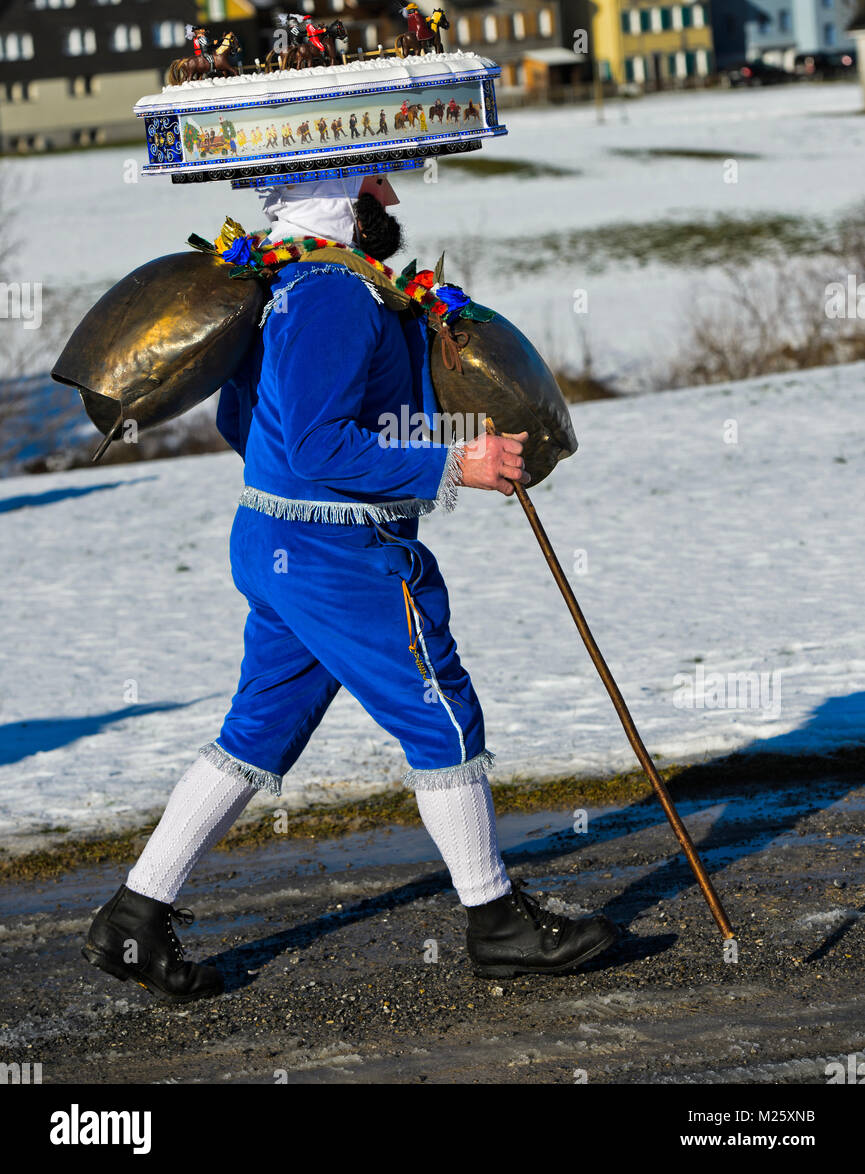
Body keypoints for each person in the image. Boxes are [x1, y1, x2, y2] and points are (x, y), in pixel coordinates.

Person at [82, 174, 618, 1002]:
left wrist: (343, 474)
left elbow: (247, 425)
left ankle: (133, 919)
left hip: (278, 539)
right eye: (375, 185)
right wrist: (453, 461)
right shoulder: (339, 298)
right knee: (440, 713)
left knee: (259, 731)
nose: (394, 201)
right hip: (341, 557)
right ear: (340, 201)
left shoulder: (283, 285)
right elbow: (321, 445)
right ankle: (497, 923)